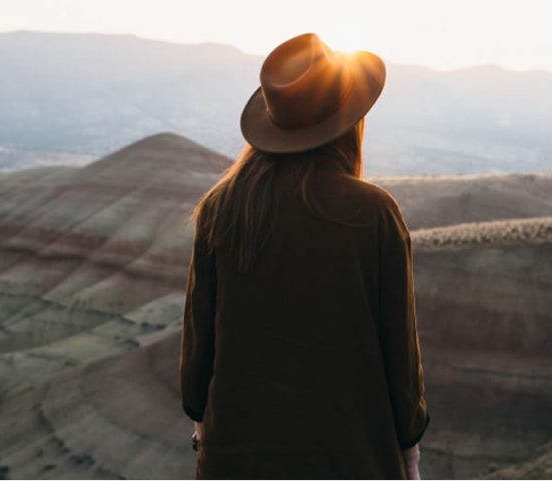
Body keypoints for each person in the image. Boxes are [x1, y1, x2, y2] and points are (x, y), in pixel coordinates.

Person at [179, 33, 430, 479]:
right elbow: (399, 350)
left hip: (237, 460)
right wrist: (408, 447)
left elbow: (199, 346)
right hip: (349, 459)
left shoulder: (223, 208)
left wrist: (205, 428)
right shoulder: (372, 213)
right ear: (349, 123)